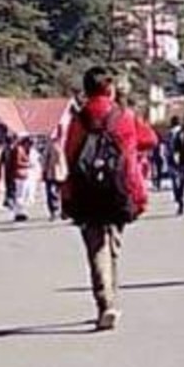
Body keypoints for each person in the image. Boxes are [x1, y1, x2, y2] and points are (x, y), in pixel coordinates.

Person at [62, 67, 157, 330]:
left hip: (86, 191)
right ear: (110, 89)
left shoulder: (79, 119)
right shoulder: (124, 115)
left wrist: (67, 194)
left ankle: (105, 302)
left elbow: (70, 154)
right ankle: (111, 300)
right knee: (113, 243)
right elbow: (150, 139)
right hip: (119, 188)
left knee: (96, 247)